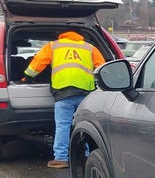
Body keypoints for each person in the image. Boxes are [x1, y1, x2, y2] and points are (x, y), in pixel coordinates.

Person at [21, 31, 105, 168]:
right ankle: (88, 155)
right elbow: (102, 68)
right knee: (86, 125)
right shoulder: (90, 48)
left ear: (61, 36)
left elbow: (38, 63)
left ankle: (61, 158)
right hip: (85, 94)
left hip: (64, 92)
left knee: (63, 125)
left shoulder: (53, 46)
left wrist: (27, 78)